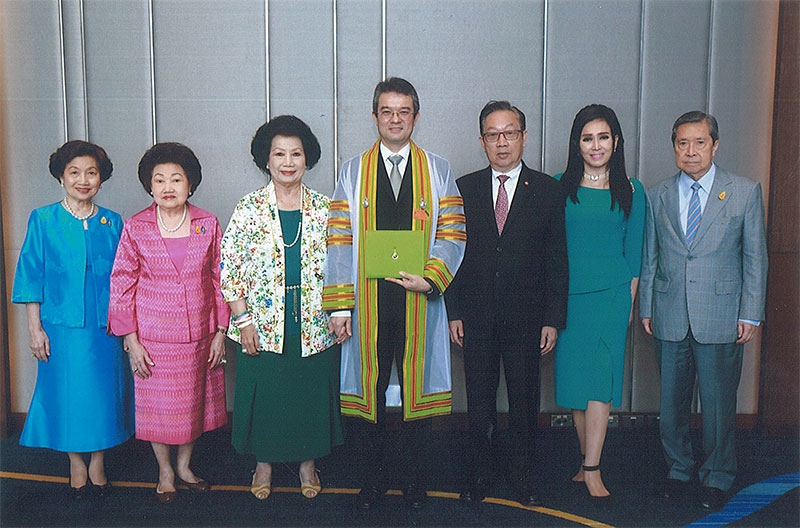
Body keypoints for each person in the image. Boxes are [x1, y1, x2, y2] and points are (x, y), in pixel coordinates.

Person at [323, 77, 466, 509]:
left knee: (415, 400)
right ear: (374, 117)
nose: (395, 119)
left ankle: (415, 483)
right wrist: (341, 306)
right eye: (387, 111)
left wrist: (432, 278)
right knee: (367, 400)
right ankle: (371, 483)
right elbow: (339, 239)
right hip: (367, 305)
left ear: (416, 116)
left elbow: (453, 232)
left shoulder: (437, 169)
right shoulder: (353, 171)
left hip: (419, 302)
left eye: (404, 111)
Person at [639, 111, 767, 511]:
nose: (690, 151)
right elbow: (650, 257)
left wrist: (751, 313)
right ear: (674, 147)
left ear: (715, 145)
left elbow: (755, 259)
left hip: (723, 315)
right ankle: (678, 471)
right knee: (671, 405)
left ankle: (717, 476)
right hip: (669, 312)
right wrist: (647, 306)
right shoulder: (658, 194)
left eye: (699, 143)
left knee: (716, 405)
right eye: (682, 143)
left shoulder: (744, 192)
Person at [445, 100, 568, 506]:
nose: (502, 142)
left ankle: (523, 479)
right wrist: (454, 311)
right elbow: (452, 253)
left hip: (528, 320)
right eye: (493, 135)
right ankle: (479, 477)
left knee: (523, 404)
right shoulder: (463, 188)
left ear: (524, 137)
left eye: (510, 133)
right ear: (482, 141)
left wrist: (553, 318)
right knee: (478, 406)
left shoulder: (548, 190)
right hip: (476, 318)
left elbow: (557, 257)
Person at [220, 115, 343, 501]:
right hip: (261, 321)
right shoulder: (249, 208)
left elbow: (343, 265)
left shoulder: (327, 209)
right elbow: (230, 267)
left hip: (312, 321)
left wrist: (342, 312)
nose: (288, 162)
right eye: (279, 154)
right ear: (266, 160)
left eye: (296, 153)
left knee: (308, 393)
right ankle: (264, 465)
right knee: (267, 393)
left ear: (308, 159)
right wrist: (243, 320)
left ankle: (308, 464)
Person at [12, 140, 134, 500]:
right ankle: (75, 462)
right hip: (60, 326)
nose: (83, 180)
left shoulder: (112, 221)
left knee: (102, 396)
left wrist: (126, 327)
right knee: (66, 395)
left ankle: (97, 460)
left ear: (101, 178)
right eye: (75, 172)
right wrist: (35, 329)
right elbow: (30, 276)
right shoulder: (44, 218)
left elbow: (125, 277)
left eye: (91, 173)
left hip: (105, 327)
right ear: (61, 177)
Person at [108, 143, 229, 504]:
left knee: (192, 405)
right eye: (159, 180)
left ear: (190, 184)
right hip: (153, 336)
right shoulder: (136, 227)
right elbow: (121, 283)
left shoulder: (207, 223)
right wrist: (131, 339)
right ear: (149, 186)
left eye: (176, 178)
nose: (168, 186)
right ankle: (164, 470)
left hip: (198, 334)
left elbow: (221, 280)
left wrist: (221, 332)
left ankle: (186, 467)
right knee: (158, 408)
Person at [553, 104, 645, 501]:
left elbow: (635, 251)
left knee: (601, 384)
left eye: (603, 137)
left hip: (611, 297)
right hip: (570, 299)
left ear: (616, 141)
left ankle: (593, 468)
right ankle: (584, 459)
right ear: (577, 143)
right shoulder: (559, 186)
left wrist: (628, 304)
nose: (596, 145)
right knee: (576, 384)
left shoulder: (632, 189)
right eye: (588, 138)